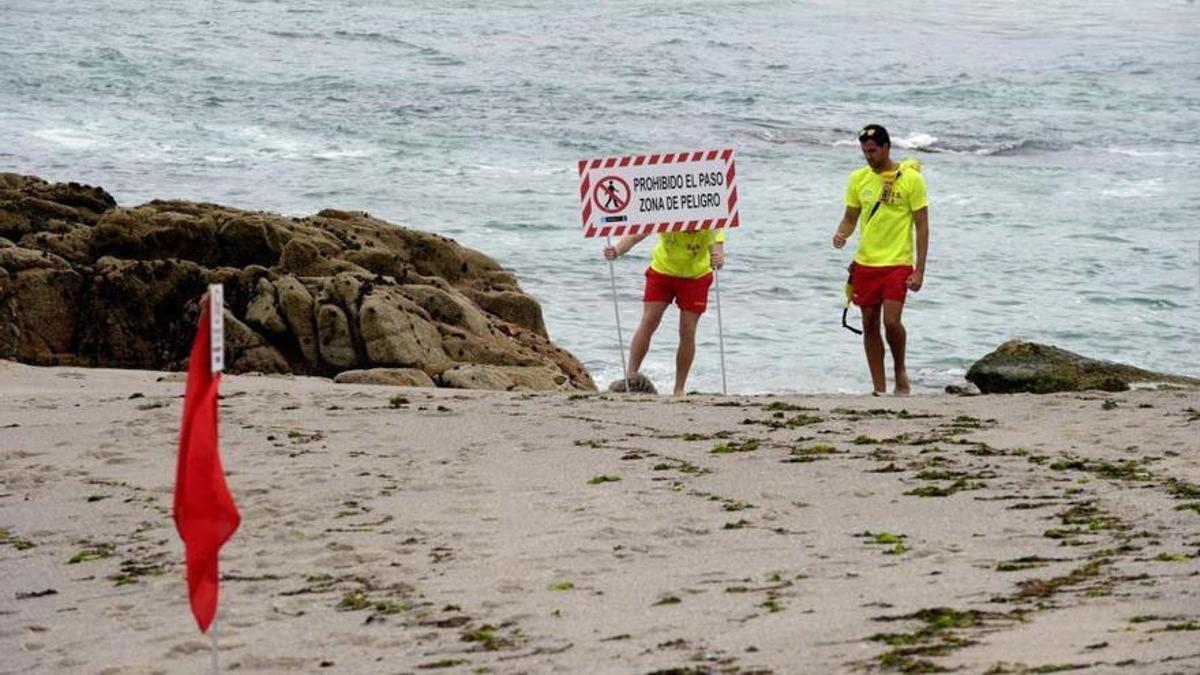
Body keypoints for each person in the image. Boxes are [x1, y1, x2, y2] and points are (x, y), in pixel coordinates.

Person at [832, 124, 929, 396]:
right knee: (869, 323)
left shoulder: (911, 180)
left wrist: (919, 271)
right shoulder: (858, 179)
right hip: (866, 263)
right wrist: (842, 234)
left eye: (873, 151)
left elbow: (922, 225)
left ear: (886, 148)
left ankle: (900, 370)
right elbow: (851, 217)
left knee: (891, 322)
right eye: (864, 151)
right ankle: (879, 388)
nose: (868, 156)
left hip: (898, 263)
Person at [603, 228, 725, 396]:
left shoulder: (709, 219)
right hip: (662, 272)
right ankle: (630, 378)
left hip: (696, 278)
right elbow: (636, 235)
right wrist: (617, 250)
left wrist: (718, 259)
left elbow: (717, 251)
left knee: (687, 330)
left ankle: (679, 389)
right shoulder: (667, 213)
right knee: (649, 321)